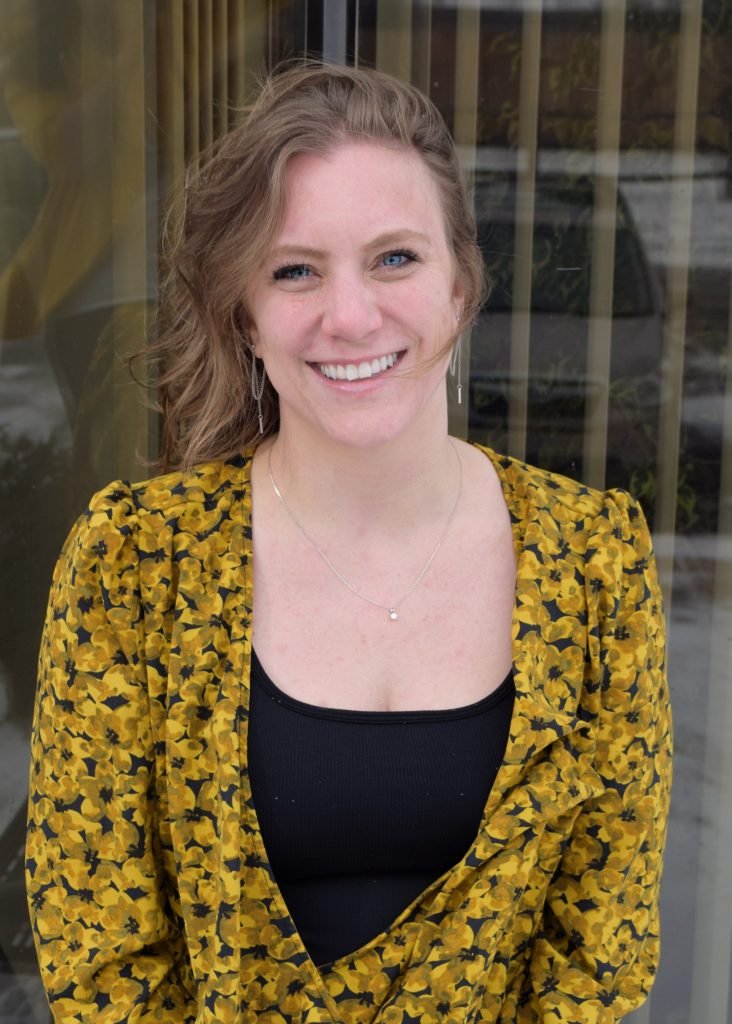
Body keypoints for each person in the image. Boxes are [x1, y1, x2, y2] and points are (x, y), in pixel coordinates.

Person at [26, 63, 672, 1024]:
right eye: (296, 269)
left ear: (461, 285)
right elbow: (100, 958)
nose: (352, 315)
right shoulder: (133, 565)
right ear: (246, 314)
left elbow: (601, 955)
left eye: (395, 258)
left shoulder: (595, 566)